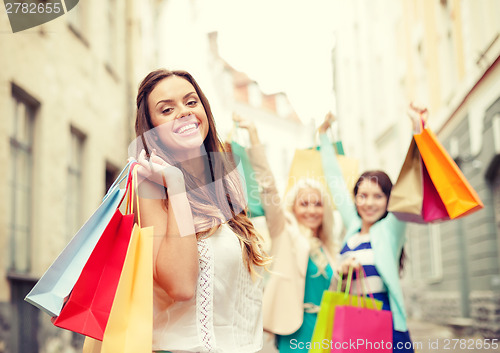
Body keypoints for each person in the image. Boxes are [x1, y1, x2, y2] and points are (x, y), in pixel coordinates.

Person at [131, 69, 270, 353]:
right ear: (153, 131)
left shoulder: (225, 181)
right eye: (167, 109)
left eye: (191, 102)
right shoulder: (151, 185)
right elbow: (181, 286)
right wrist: (176, 184)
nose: (183, 112)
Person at [318, 104, 428, 353]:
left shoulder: (391, 229)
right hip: (351, 318)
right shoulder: (353, 228)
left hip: (386, 322)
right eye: (362, 196)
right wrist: (323, 135)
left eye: (378, 196)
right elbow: (335, 181)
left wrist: (417, 128)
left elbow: (411, 180)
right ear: (355, 199)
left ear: (390, 200)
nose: (369, 203)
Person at [233, 114, 338, 353]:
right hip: (296, 331)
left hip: (330, 331)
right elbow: (268, 188)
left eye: (317, 204)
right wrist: (254, 137)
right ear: (293, 207)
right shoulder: (285, 233)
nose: (312, 210)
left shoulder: (327, 245)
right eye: (305, 203)